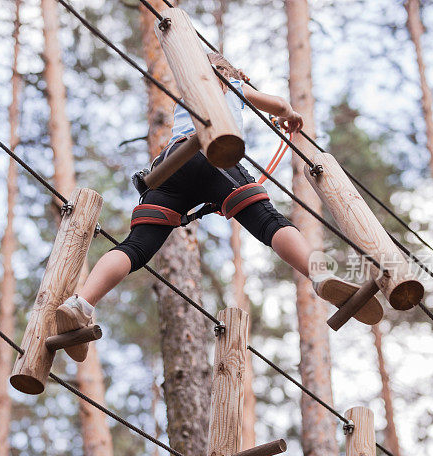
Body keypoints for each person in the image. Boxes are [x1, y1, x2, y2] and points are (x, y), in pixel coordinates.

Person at [56, 53, 382, 360]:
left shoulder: (186, 90)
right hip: (214, 155)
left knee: (137, 246)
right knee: (268, 223)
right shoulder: (234, 86)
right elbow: (281, 105)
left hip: (169, 166)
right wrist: (289, 117)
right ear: (231, 73)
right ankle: (319, 274)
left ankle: (81, 303)